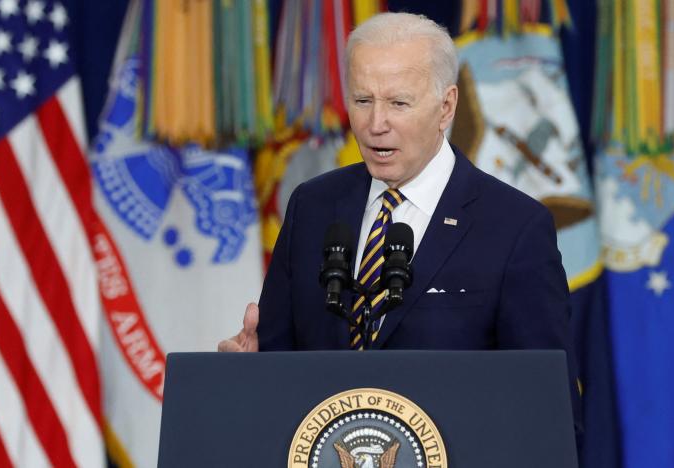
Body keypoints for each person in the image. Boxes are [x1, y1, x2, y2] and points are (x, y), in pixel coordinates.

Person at [218, 11, 580, 430]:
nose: (376, 125)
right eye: (362, 100)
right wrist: (244, 374)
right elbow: (279, 369)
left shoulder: (515, 227)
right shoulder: (312, 206)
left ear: (446, 107)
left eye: (398, 103)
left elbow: (548, 410)